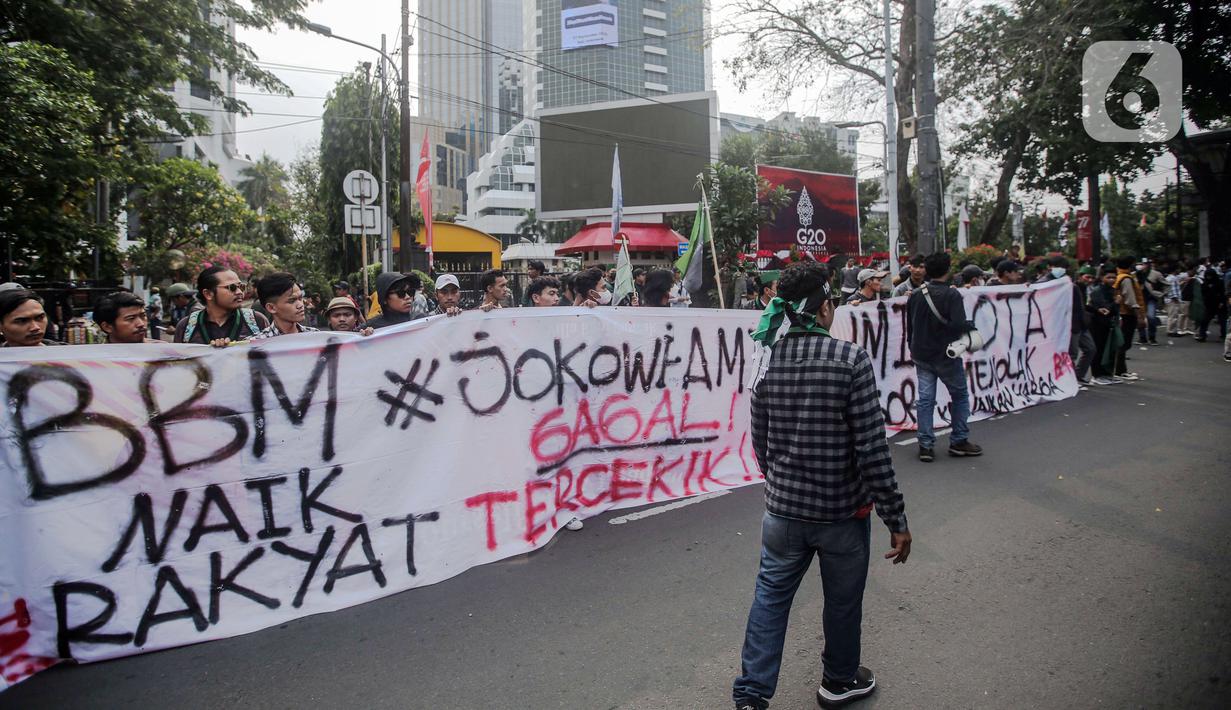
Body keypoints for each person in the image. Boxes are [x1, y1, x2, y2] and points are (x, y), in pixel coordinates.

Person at [733, 262, 910, 710]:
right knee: (843, 602)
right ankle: (839, 681)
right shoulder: (850, 360)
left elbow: (760, 442)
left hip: (783, 514)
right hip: (841, 515)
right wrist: (896, 517)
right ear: (825, 308)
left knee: (770, 599)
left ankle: (751, 695)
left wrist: (782, 485)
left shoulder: (767, 359)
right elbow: (872, 450)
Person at [906, 253, 983, 461]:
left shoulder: (915, 295)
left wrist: (911, 347)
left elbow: (910, 326)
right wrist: (969, 327)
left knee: (925, 400)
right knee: (959, 396)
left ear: (927, 270)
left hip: (921, 354)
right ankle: (958, 441)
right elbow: (958, 325)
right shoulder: (952, 296)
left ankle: (925, 445)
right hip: (946, 355)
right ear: (948, 269)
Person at [174, 266, 268, 346]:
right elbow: (178, 363)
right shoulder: (186, 326)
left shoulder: (256, 321)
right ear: (208, 294)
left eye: (241, 287)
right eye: (232, 288)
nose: (239, 292)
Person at [250, 272, 318, 340]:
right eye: (292, 301)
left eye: (300, 298)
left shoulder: (315, 337)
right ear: (271, 308)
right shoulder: (257, 344)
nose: (300, 305)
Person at [1088, 267, 1122, 385]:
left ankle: (1107, 374)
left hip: (1110, 324)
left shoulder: (1113, 290)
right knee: (1099, 349)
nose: (1112, 280)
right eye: (1109, 277)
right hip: (1097, 324)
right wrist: (1115, 303)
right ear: (1102, 277)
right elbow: (1105, 309)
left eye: (1114, 277)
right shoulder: (1097, 291)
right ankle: (1096, 375)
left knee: (1110, 350)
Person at [1112, 256, 1143, 380]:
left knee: (1121, 343)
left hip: (1120, 313)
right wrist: (1139, 316)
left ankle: (1119, 370)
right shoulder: (1126, 279)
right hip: (1127, 314)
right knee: (1124, 343)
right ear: (1130, 265)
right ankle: (1120, 370)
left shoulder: (1118, 277)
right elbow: (1131, 300)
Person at [93, 291, 158, 344]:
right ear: (107, 327)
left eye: (143, 316)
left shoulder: (161, 352)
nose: (141, 324)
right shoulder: (97, 358)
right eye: (131, 319)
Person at [1136, 259, 1164, 345]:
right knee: (1140, 318)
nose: (1143, 265)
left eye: (1145, 264)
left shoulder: (1156, 274)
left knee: (1151, 318)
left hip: (1151, 298)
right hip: (1140, 298)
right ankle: (1142, 337)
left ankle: (1152, 337)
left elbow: (1164, 284)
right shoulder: (1136, 274)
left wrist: (1159, 294)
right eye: (1142, 264)